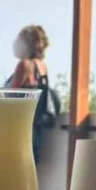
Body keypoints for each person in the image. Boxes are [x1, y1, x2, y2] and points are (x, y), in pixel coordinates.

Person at [9, 24, 57, 163]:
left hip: (19, 131)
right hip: (35, 133)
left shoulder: (24, 65)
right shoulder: (42, 66)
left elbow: (8, 98)